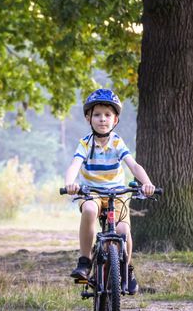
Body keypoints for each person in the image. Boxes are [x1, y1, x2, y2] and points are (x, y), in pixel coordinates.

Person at [64, 88, 156, 295]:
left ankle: (127, 269)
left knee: (124, 232)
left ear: (115, 120)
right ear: (89, 118)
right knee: (88, 210)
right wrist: (70, 183)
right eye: (97, 115)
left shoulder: (117, 142)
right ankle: (85, 261)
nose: (102, 119)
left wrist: (147, 183)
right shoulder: (85, 144)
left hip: (117, 194)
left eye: (107, 115)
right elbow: (74, 165)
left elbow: (133, 166)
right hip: (92, 192)